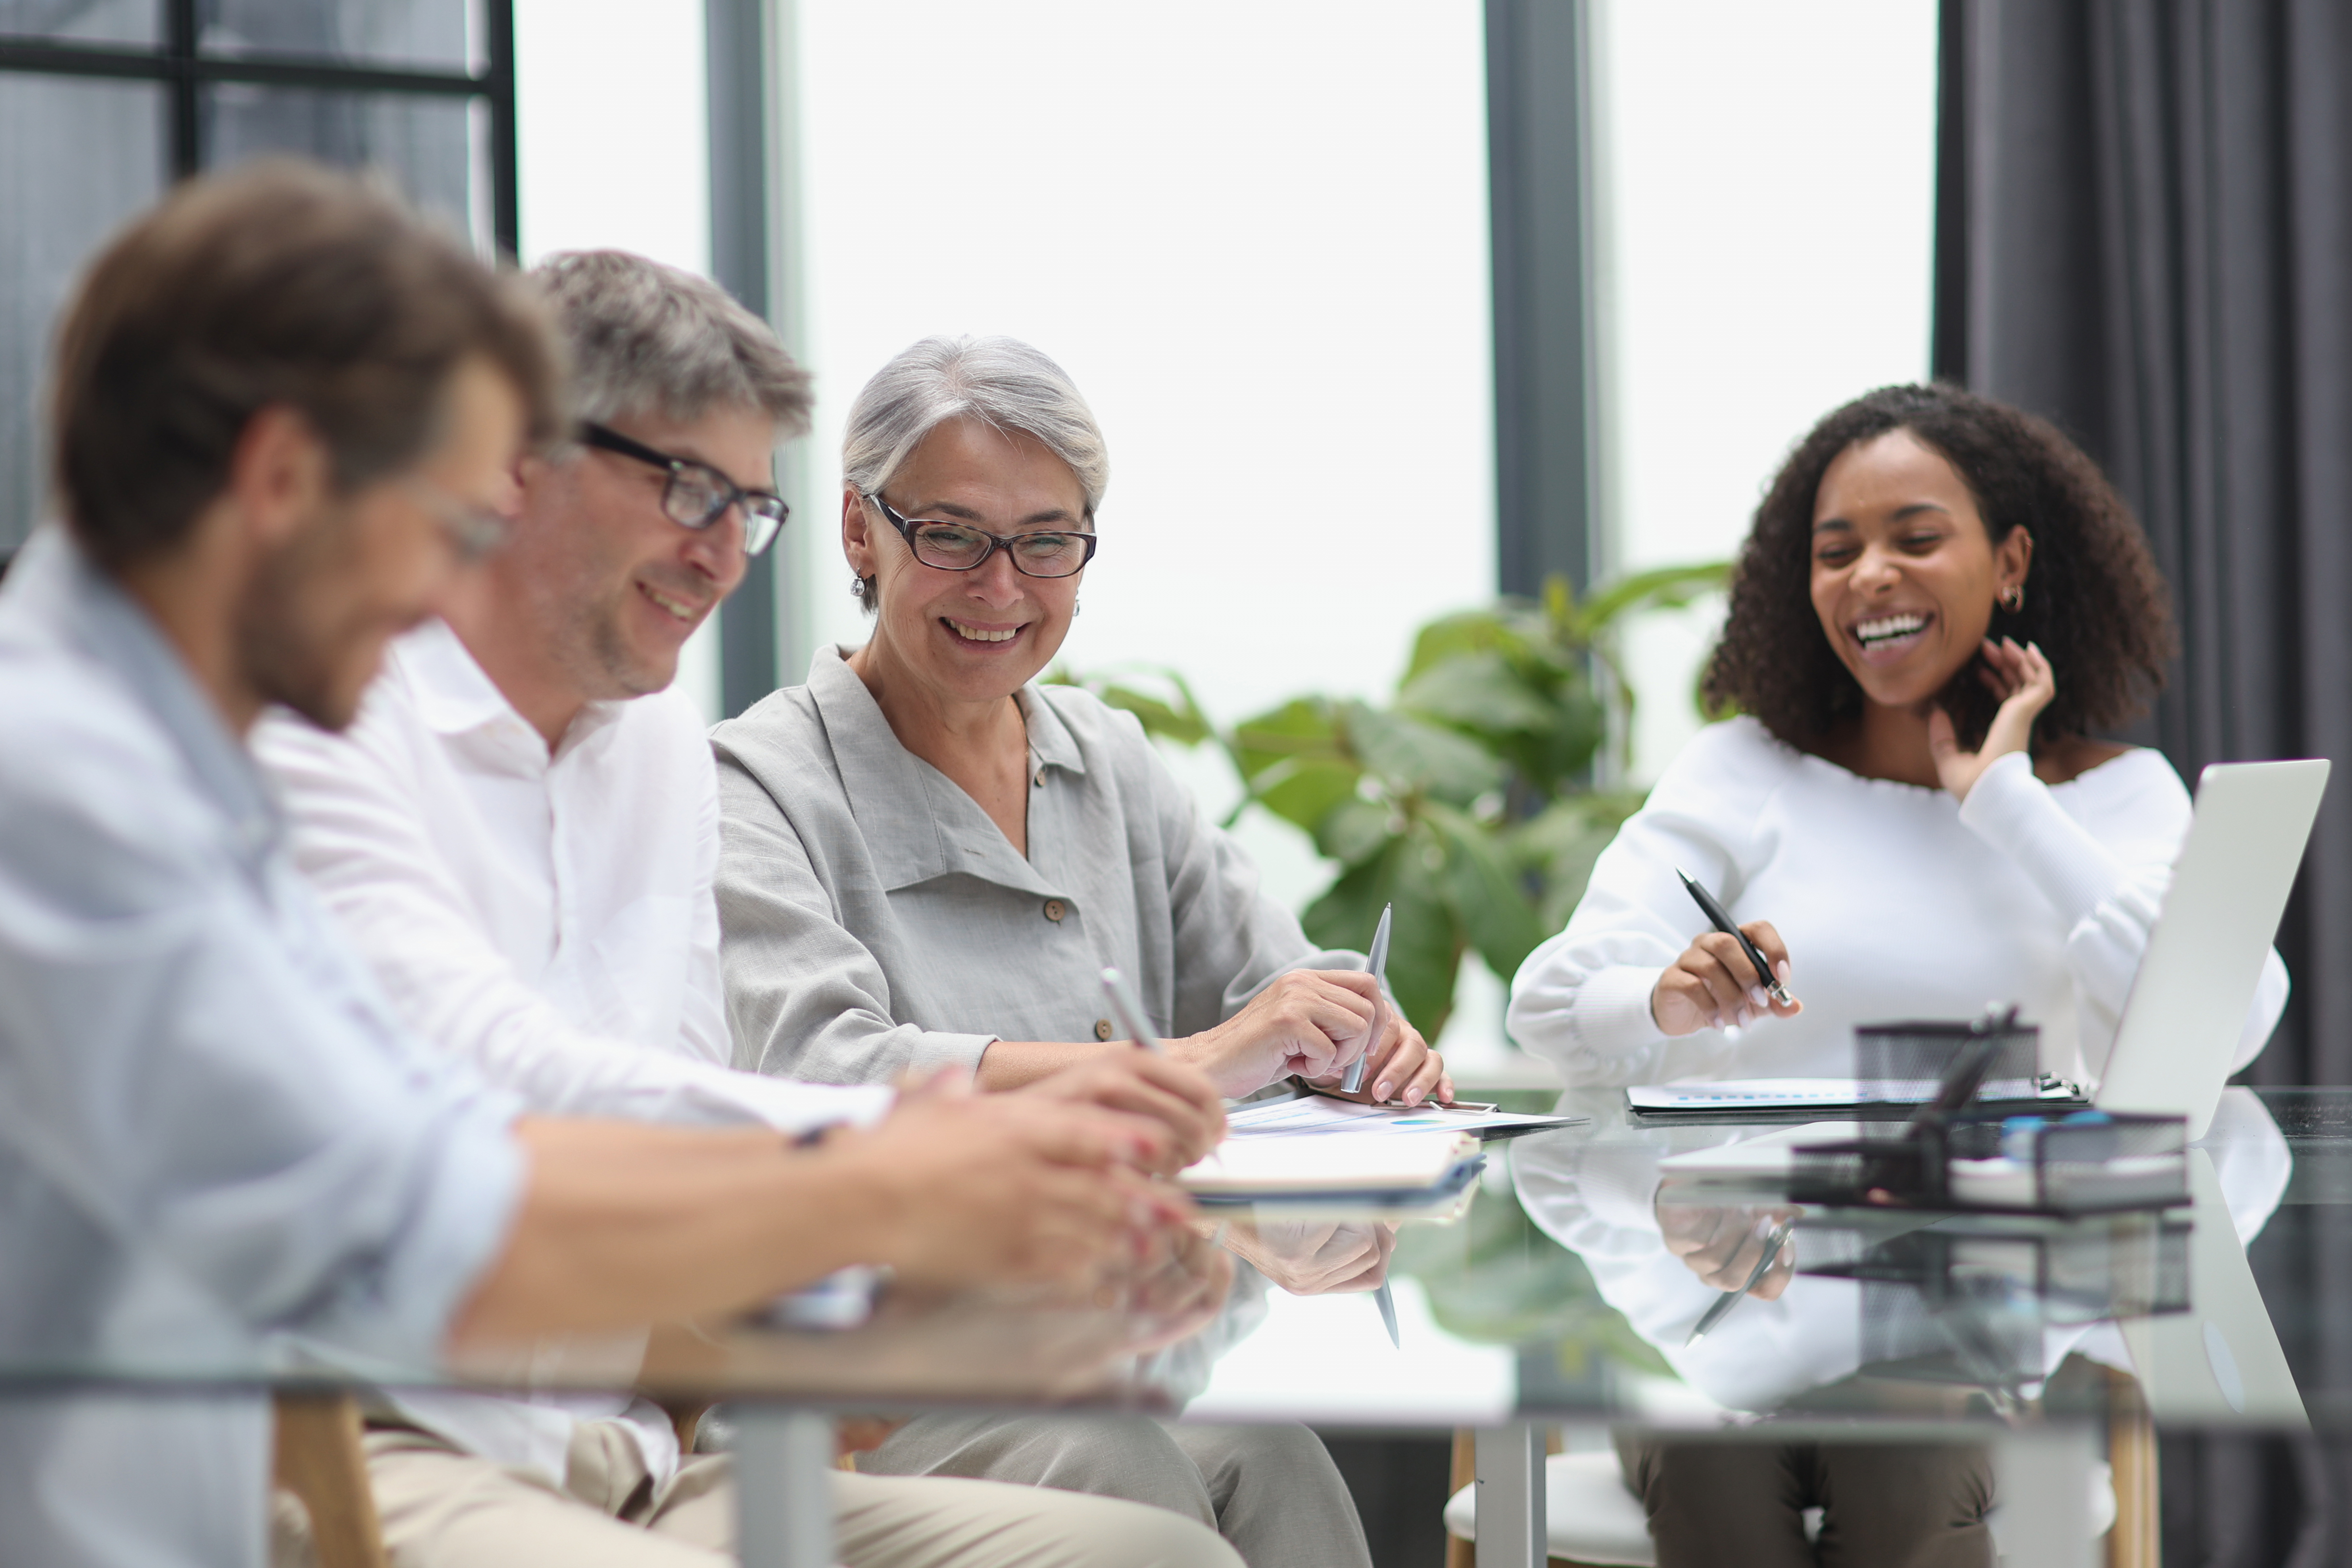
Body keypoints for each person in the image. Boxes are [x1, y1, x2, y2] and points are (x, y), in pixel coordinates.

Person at [0, 161, 1240, 1568]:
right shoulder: (73, 786)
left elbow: (473, 1144)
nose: (443, 586)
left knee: (1156, 1553)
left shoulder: (169, 750)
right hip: (310, 1475)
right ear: (284, 478)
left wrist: (894, 1269)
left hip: (608, 1439)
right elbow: (442, 1178)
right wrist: (912, 1171)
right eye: (446, 510)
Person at [1506, 382, 2292, 1566]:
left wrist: (2008, 805)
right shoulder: (1742, 769)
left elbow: (2220, 1015)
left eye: (1913, 538)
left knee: (1904, 1455)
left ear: (2010, 561)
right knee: (1722, 1486)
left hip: (1985, 1332)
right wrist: (1661, 996)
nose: (1868, 573)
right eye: (1836, 551)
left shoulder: (2120, 796)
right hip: (1738, 1316)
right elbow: (1551, 1011)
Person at [711, 336, 1441, 1567]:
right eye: (950, 534)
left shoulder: (1104, 756)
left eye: (1047, 542)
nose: (1002, 585)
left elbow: (1261, 987)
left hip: (1126, 1351)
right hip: (878, 1379)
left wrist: (1344, 1034)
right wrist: (1206, 1060)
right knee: (1128, 1473)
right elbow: (827, 1073)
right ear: (856, 529)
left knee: (1284, 1469)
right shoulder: (753, 784)